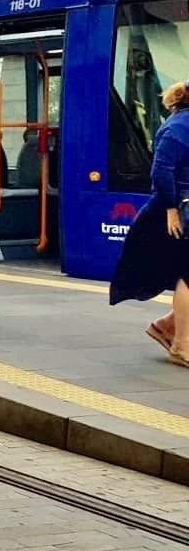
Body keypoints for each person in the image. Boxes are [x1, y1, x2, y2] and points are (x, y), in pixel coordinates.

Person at [111, 81, 189, 366]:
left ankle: (166, 328)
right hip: (179, 211)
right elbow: (161, 171)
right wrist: (171, 209)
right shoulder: (178, 129)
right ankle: (181, 345)